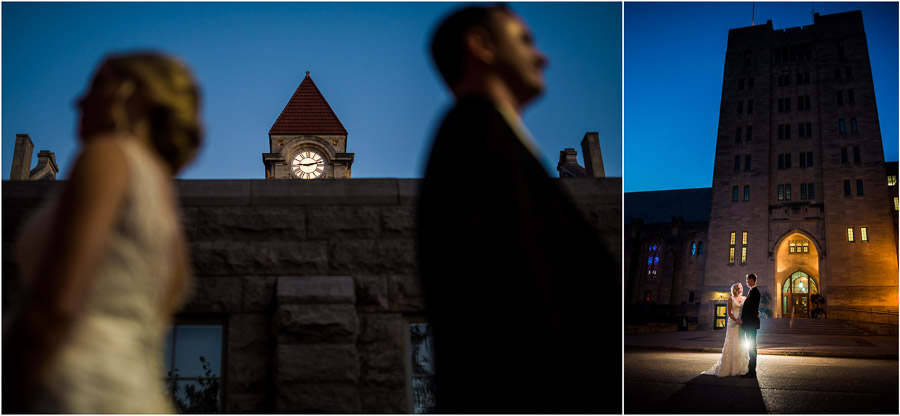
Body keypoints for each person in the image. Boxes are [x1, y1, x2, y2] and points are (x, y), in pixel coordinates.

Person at [417, 5, 619, 413]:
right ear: (482, 46)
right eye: (524, 40)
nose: (542, 56)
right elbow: (520, 306)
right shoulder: (474, 136)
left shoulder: (492, 138)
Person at [2, 52, 202, 413]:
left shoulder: (107, 155)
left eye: (98, 85)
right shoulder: (165, 202)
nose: (78, 100)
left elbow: (52, 308)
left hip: (69, 391)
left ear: (138, 97)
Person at [701, 283, 749, 377]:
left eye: (742, 287)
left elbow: (746, 310)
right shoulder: (731, 299)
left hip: (741, 323)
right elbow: (729, 312)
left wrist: (743, 320)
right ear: (736, 289)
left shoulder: (745, 298)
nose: (742, 288)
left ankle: (741, 367)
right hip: (733, 323)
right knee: (732, 343)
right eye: (740, 287)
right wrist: (736, 320)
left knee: (741, 343)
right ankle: (730, 367)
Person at [740, 273, 761, 378]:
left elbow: (751, 309)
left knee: (752, 348)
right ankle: (751, 370)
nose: (746, 281)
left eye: (747, 279)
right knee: (751, 347)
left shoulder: (755, 292)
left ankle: (752, 371)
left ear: (752, 280)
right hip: (750, 323)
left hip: (750, 324)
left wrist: (743, 320)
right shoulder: (752, 292)